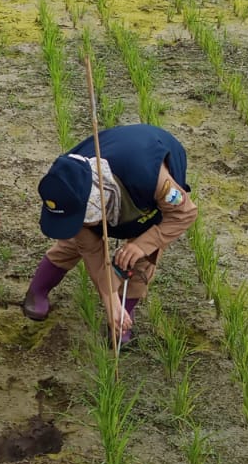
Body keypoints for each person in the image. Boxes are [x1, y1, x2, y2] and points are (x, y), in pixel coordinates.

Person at [22, 124, 197, 344]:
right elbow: (93, 253)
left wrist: (142, 245)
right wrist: (109, 298)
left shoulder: (152, 178)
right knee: (73, 243)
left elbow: (185, 214)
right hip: (95, 197)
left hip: (142, 196)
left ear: (97, 203)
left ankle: (124, 313)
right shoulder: (64, 181)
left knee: (139, 258)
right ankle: (38, 290)